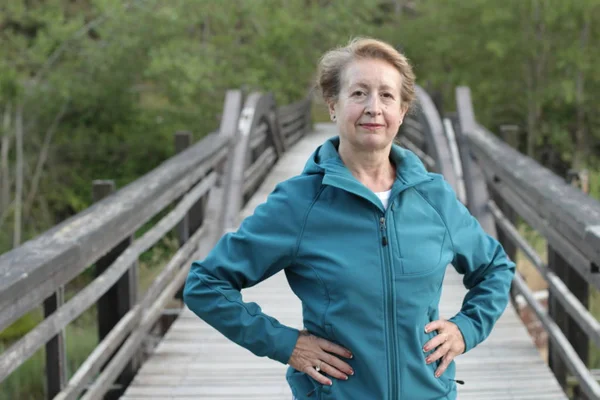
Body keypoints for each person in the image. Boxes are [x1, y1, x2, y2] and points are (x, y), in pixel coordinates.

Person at [183, 37, 515, 400]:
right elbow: (205, 283)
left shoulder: (433, 196)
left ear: (402, 111)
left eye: (387, 96)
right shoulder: (299, 203)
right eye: (358, 93)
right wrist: (286, 344)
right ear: (333, 106)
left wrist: (466, 328)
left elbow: (495, 268)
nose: (374, 108)